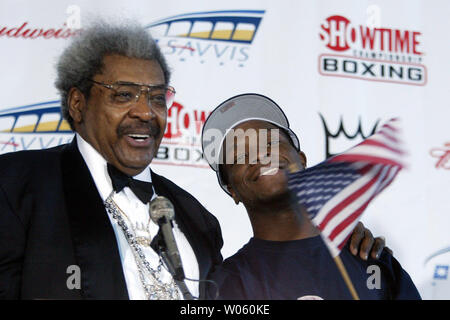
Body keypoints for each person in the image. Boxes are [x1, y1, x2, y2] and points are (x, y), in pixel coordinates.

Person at [0, 21, 386, 300]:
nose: (145, 112)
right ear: (78, 103)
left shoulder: (196, 218)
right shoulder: (17, 186)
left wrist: (335, 243)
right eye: (123, 95)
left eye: (156, 97)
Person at [201, 93, 421, 300]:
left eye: (272, 142)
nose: (261, 154)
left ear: (302, 160)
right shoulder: (226, 284)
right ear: (232, 190)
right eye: (240, 155)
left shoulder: (371, 259)